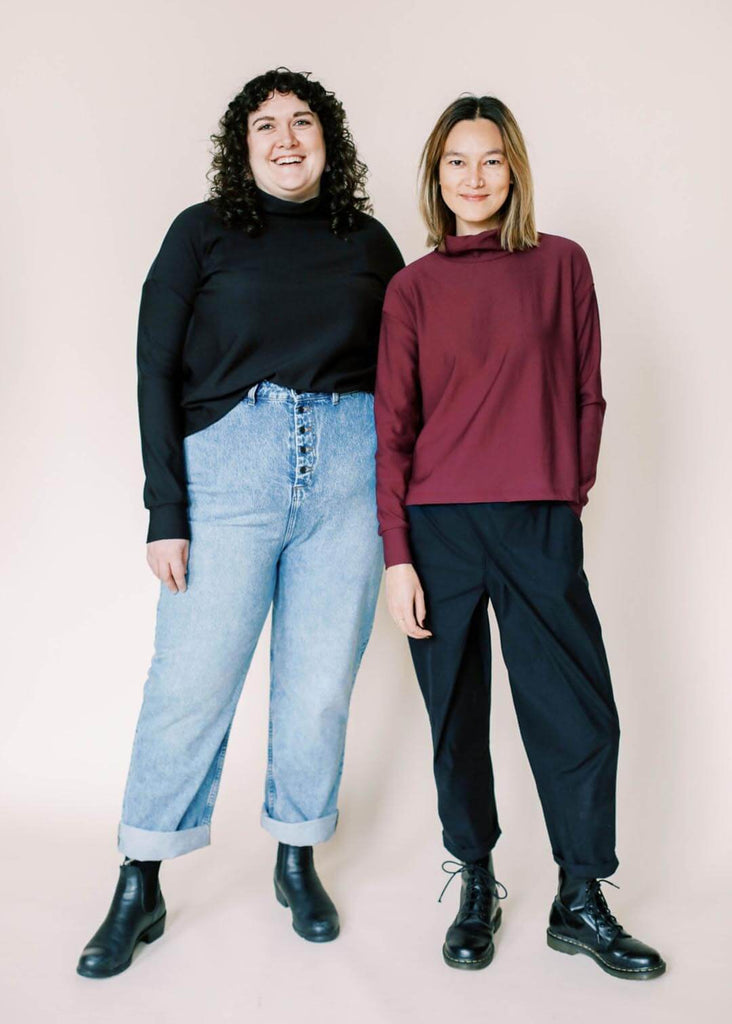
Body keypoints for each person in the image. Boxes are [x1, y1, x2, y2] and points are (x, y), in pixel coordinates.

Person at [76, 67, 404, 979]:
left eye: (304, 123)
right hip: (230, 478)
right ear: (243, 144)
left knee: (320, 685)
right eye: (268, 126)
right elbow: (154, 372)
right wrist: (165, 510)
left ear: (329, 140)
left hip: (346, 476)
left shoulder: (369, 243)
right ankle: (140, 881)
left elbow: (410, 377)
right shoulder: (202, 234)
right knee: (190, 681)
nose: (288, 139)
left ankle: (297, 857)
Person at [374, 95, 666, 980]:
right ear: (436, 175)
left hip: (538, 521)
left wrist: (564, 496)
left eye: (491, 160)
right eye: (456, 162)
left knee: (576, 711)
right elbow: (392, 428)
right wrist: (397, 556)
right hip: (438, 531)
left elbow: (588, 391)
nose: (474, 177)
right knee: (455, 718)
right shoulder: (411, 289)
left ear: (515, 171)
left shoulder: (562, 266)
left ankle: (580, 897)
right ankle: (477, 879)